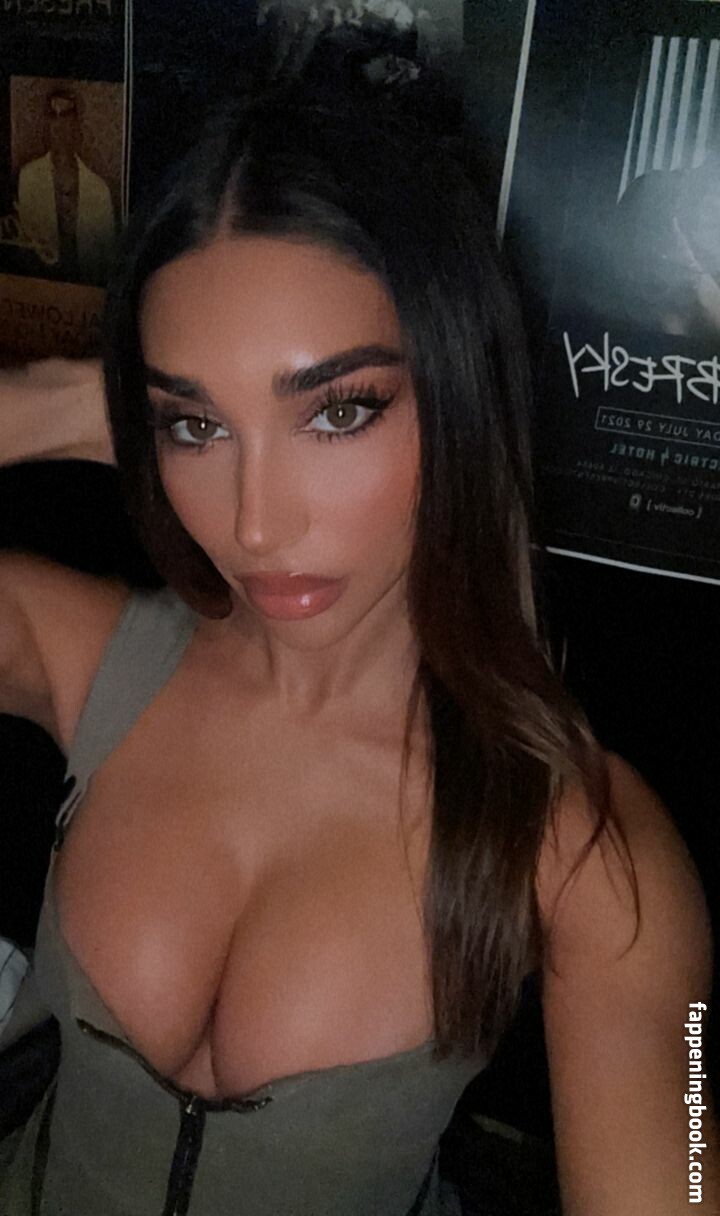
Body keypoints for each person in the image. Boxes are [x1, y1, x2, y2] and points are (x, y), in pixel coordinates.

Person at [0, 77, 717, 1215]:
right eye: (196, 423)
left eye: (338, 411)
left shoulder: (583, 848)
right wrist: (71, 406)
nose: (254, 525)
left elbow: (677, 1158)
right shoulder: (87, 656)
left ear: (458, 389)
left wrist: (184, 418)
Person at [16, 89, 116, 287]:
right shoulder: (28, 177)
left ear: (76, 124)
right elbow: (25, 246)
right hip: (41, 287)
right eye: (53, 116)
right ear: (47, 123)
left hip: (88, 290)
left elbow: (110, 260)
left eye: (66, 116)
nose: (59, 124)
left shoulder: (99, 189)